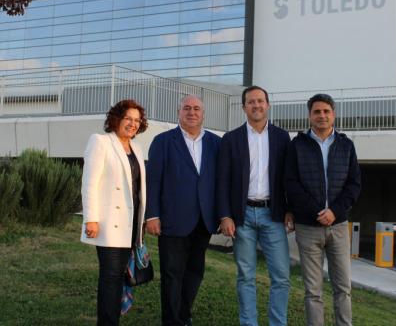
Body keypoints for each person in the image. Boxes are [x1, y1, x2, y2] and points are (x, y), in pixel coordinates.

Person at [284, 93, 361, 326]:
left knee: (343, 288)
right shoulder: (296, 145)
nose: (322, 116)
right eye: (317, 111)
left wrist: (334, 212)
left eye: (326, 111)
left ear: (333, 114)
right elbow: (290, 183)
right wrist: (318, 211)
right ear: (309, 115)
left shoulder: (346, 145)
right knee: (313, 291)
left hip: (337, 227)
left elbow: (354, 184)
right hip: (308, 227)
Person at [217, 86, 291, 326]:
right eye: (251, 102)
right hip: (242, 216)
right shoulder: (231, 139)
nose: (256, 105)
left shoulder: (282, 137)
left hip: (273, 215)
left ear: (267, 105)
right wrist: (225, 215)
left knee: (281, 277)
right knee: (245, 276)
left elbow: (288, 177)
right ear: (243, 107)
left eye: (260, 101)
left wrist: (289, 209)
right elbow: (222, 180)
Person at [145, 94, 221, 326]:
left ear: (203, 114)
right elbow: (153, 181)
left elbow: (220, 181)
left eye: (197, 108)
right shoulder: (163, 141)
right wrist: (152, 214)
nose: (192, 112)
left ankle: (183, 315)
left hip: (204, 220)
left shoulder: (216, 143)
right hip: (172, 220)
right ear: (179, 112)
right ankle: (171, 320)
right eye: (187, 108)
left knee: (195, 272)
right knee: (171, 274)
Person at [80, 99, 149, 326]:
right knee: (110, 279)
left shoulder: (136, 148)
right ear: (116, 118)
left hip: (132, 225)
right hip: (110, 225)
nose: (132, 124)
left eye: (137, 120)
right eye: (128, 118)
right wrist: (91, 219)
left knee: (121, 277)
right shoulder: (100, 142)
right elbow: (89, 182)